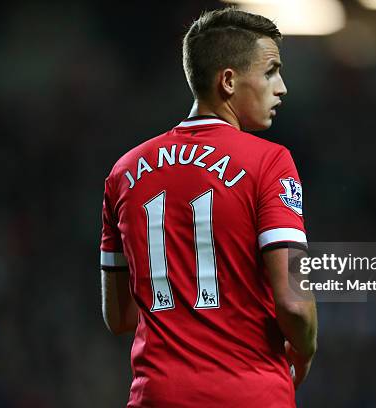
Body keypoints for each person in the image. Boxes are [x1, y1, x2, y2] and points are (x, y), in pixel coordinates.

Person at [99, 7, 317, 407]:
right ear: (229, 81)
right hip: (251, 394)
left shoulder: (123, 172)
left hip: (156, 397)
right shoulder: (270, 162)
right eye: (270, 71)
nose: (282, 87)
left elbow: (118, 317)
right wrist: (305, 349)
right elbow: (293, 304)